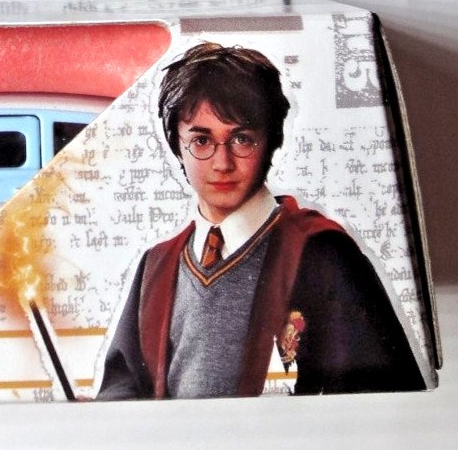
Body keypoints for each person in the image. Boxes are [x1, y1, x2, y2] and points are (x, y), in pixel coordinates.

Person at [96, 42, 425, 399]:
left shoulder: (323, 254)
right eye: (201, 140)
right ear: (177, 145)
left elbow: (376, 394)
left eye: (242, 139)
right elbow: (122, 390)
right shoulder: (157, 266)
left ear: (270, 142)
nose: (222, 163)